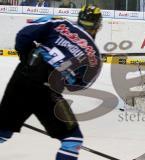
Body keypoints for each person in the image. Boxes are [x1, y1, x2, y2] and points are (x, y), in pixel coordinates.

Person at [0, 4, 102, 160]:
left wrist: (27, 61)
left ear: (79, 19)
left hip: (22, 78)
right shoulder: (95, 56)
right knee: (72, 140)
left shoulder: (60, 23)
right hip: (49, 92)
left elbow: (23, 35)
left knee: (3, 131)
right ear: (98, 27)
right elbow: (80, 85)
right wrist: (67, 76)